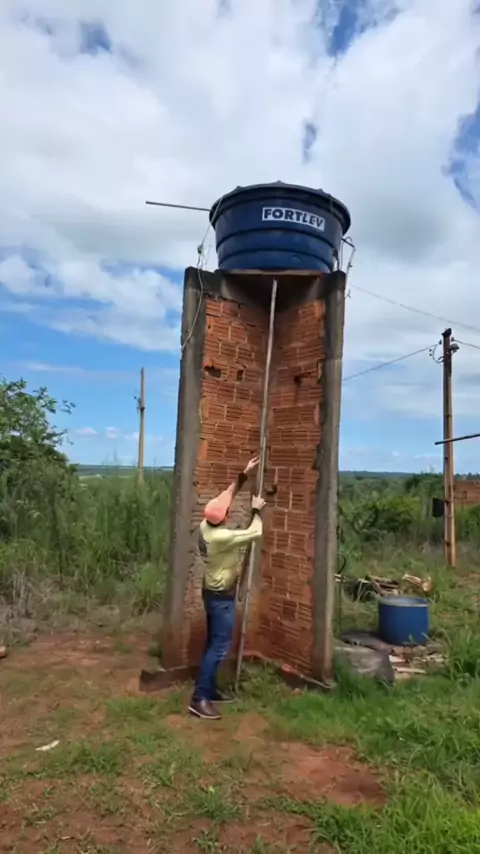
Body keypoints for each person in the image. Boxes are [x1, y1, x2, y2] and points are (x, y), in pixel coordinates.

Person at [188, 455, 266, 720]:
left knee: (213, 642)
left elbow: (227, 496)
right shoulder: (222, 537)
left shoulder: (205, 524)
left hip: (210, 592)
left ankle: (209, 690)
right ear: (225, 518)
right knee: (220, 646)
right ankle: (199, 699)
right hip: (221, 597)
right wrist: (256, 510)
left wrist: (244, 473)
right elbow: (255, 533)